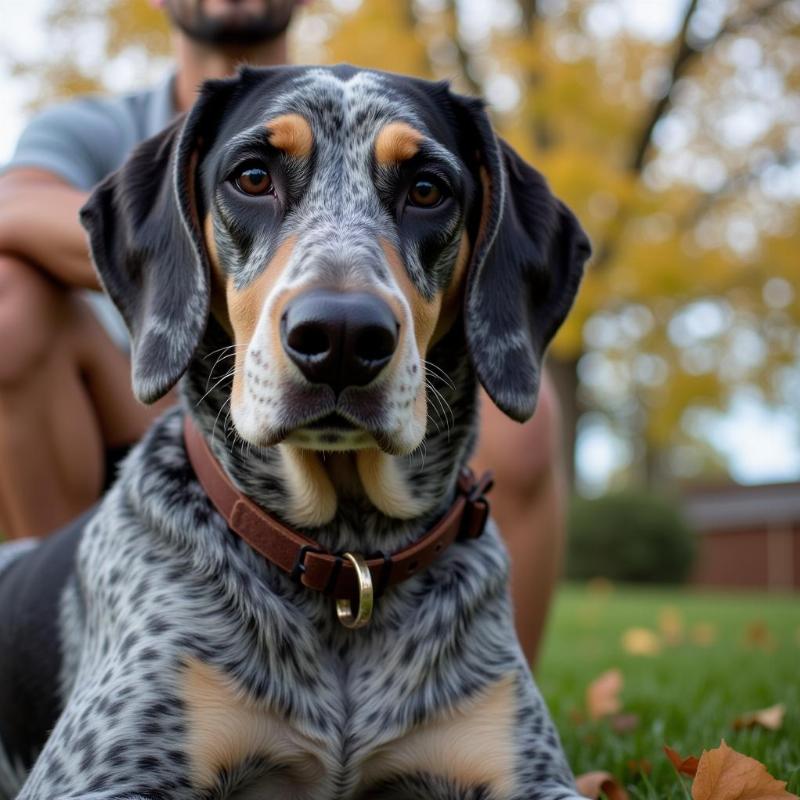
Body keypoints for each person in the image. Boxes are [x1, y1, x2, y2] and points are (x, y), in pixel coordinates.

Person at [0, 0, 566, 667]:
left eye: (421, 190)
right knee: (9, 300)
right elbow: (11, 208)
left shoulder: (387, 113)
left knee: (523, 417)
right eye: (251, 177)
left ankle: (489, 693)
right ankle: (63, 655)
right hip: (124, 407)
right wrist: (193, 264)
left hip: (366, 385)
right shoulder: (98, 128)